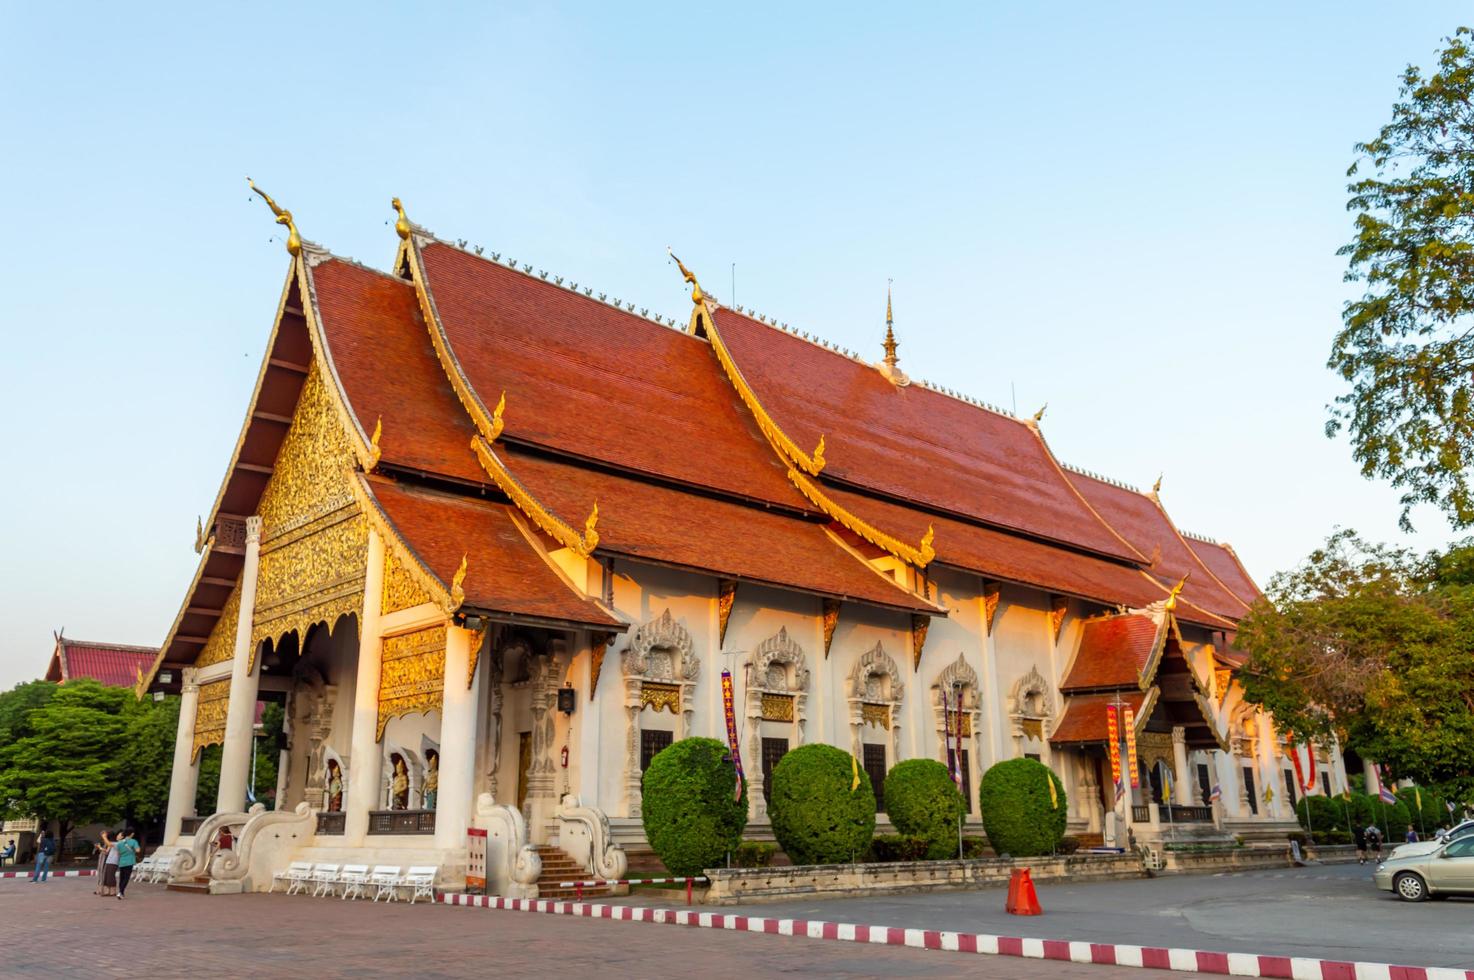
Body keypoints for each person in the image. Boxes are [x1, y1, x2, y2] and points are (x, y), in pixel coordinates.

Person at [114, 829, 141, 900]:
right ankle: (121, 892)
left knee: (121, 878)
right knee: (126, 878)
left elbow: (118, 853)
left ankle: (120, 892)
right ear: (132, 834)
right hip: (130, 861)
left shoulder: (119, 843)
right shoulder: (133, 841)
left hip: (122, 861)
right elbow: (138, 850)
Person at [93, 831, 113, 896]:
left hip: (105, 860)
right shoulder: (105, 843)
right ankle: (99, 890)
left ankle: (103, 891)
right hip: (101, 859)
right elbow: (102, 851)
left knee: (103, 874)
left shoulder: (110, 843)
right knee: (100, 874)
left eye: (104, 834)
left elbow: (107, 852)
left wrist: (100, 847)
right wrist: (98, 848)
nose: (102, 835)